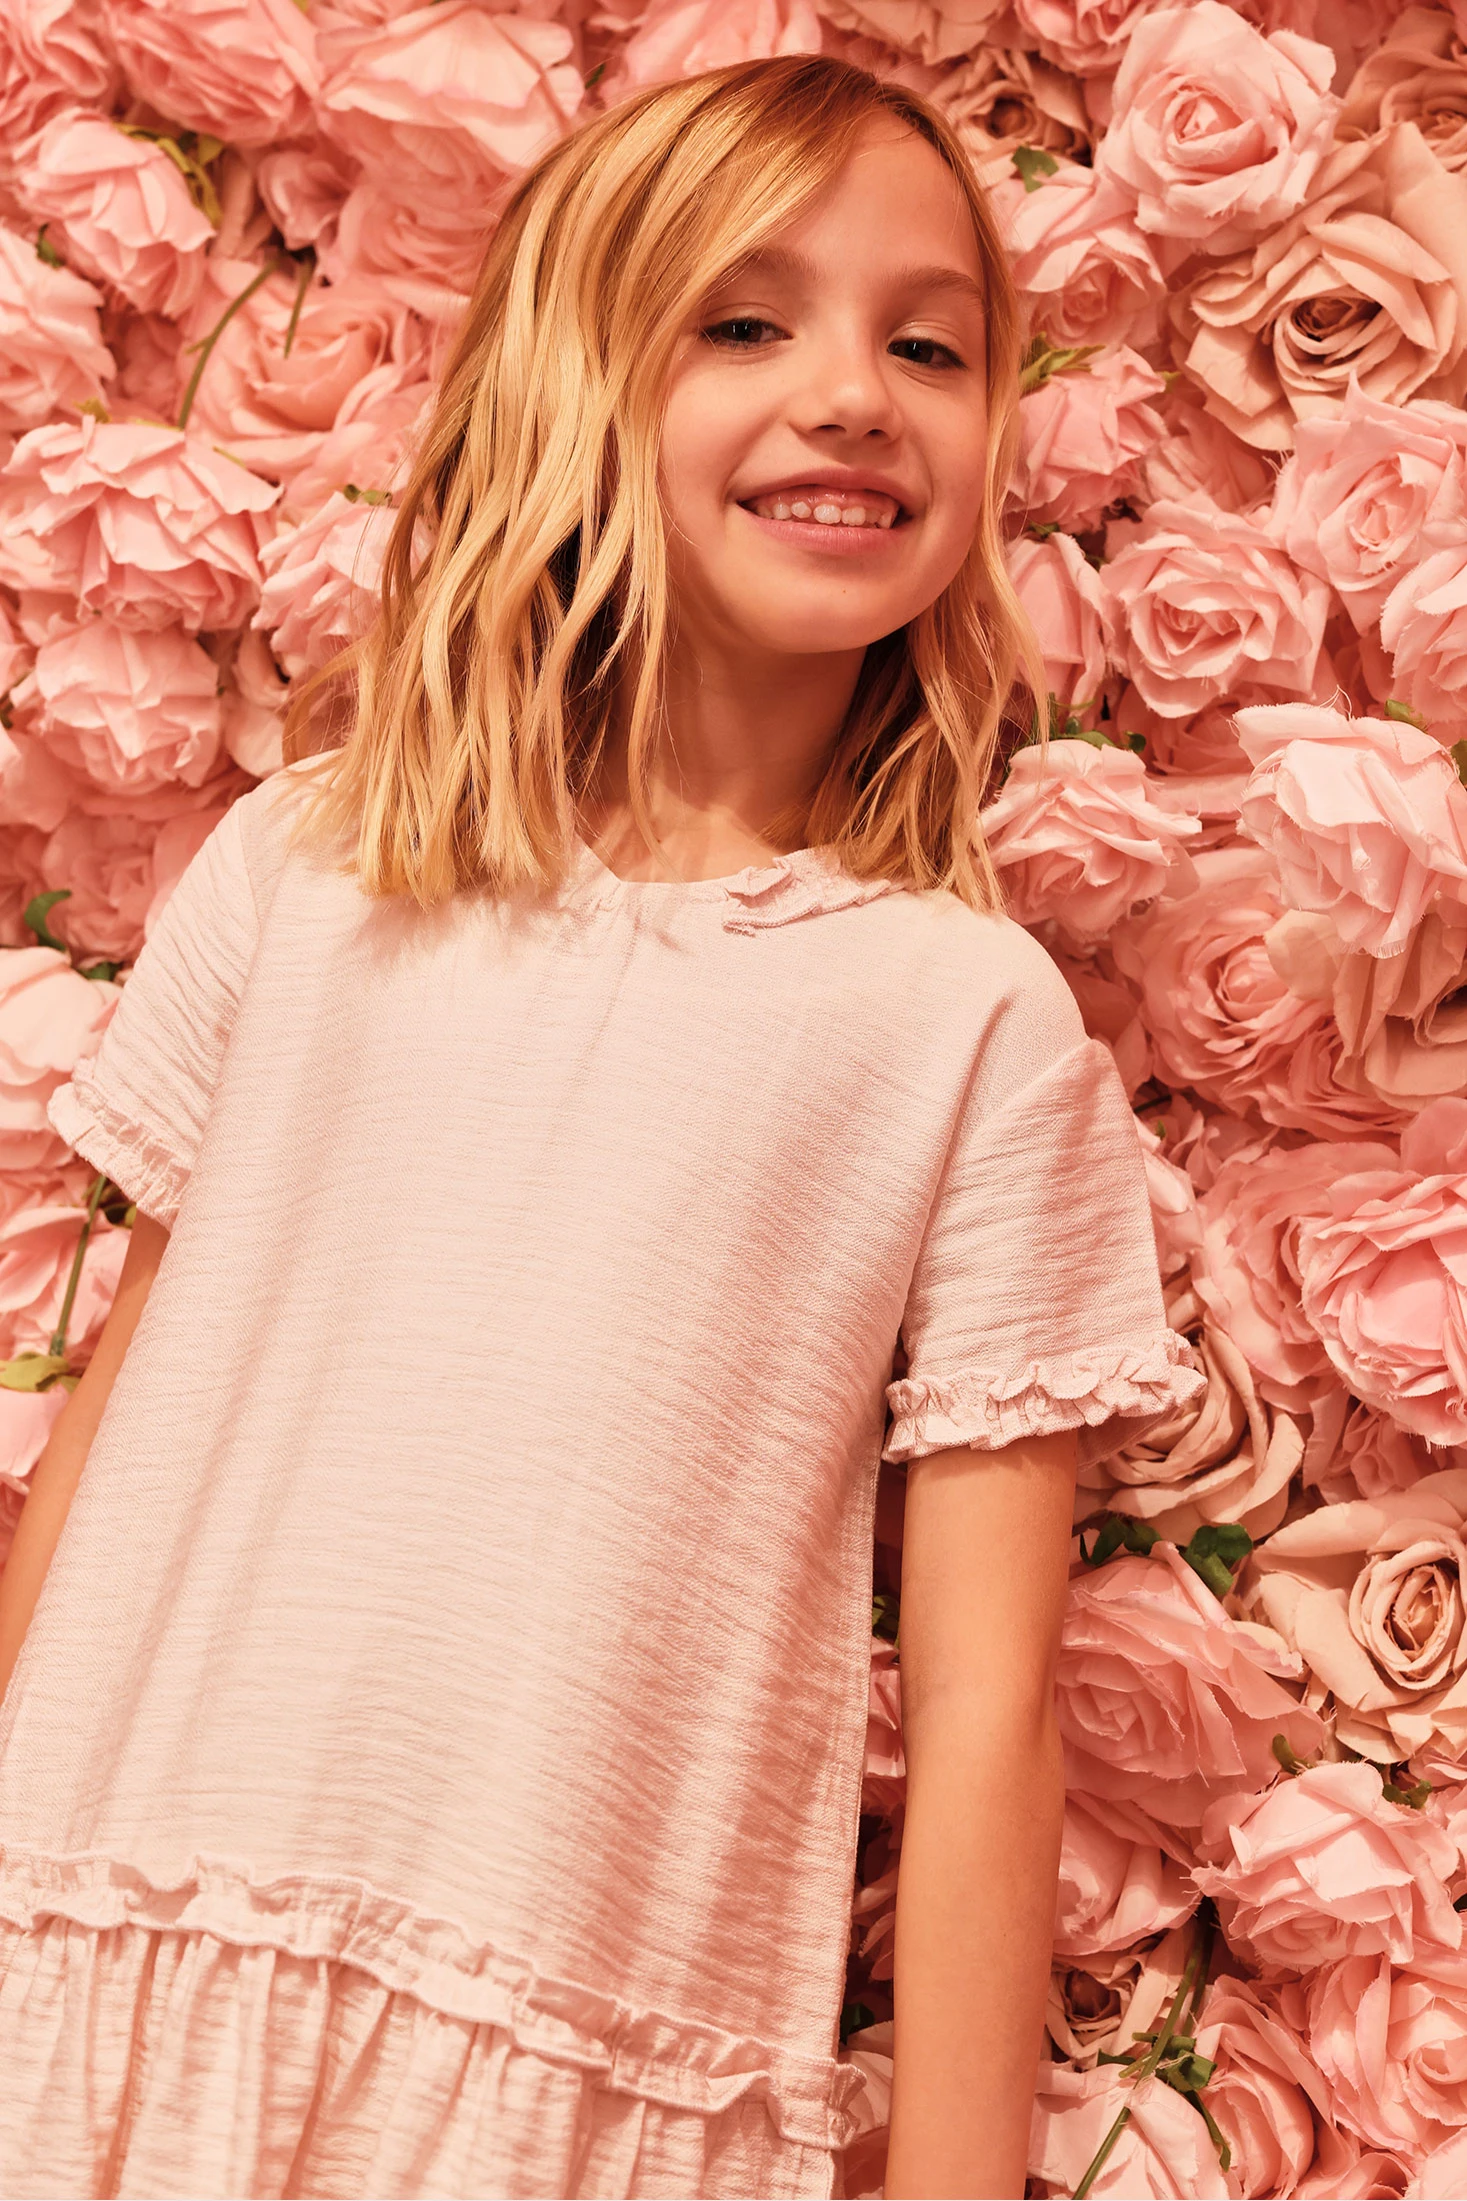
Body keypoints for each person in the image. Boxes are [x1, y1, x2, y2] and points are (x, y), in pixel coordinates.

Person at [0, 54, 1201, 2201]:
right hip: (90, 1949)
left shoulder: (959, 1022)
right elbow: (113, 1419)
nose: (854, 396)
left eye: (929, 346)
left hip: (566, 2054)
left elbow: (987, 1711)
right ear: (578, 377)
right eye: (745, 322)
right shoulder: (307, 871)